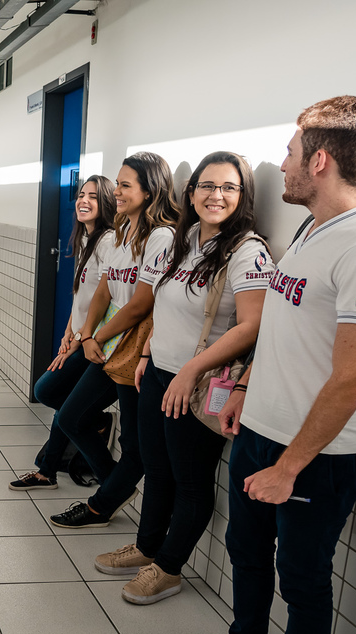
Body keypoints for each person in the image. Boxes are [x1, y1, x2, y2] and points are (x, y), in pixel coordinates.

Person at [171, 97, 356, 634]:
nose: (282, 166)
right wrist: (247, 387)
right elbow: (284, 325)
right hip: (260, 431)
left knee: (302, 578)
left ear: (322, 160)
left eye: (290, 152)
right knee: (246, 550)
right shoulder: (310, 228)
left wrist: (290, 464)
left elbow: (353, 376)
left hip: (315, 456)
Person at [98, 152, 271, 604]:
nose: (216, 196)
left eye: (228, 188)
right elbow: (165, 302)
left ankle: (169, 568)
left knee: (190, 483)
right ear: (190, 193)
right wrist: (149, 353)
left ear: (242, 195)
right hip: (158, 373)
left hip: (198, 385)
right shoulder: (185, 237)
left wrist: (190, 369)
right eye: (207, 186)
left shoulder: (247, 251)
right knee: (156, 468)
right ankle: (147, 545)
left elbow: (252, 326)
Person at [49, 152, 179, 529]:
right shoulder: (123, 231)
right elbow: (105, 288)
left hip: (134, 351)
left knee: (137, 446)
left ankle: (101, 505)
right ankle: (113, 485)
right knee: (71, 414)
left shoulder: (162, 237)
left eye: (125, 185)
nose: (116, 192)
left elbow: (141, 304)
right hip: (109, 346)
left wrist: (97, 336)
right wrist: (87, 334)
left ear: (150, 189)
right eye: (118, 184)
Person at [10, 175, 116, 491]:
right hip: (81, 336)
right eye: (81, 195)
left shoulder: (109, 241)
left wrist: (82, 338)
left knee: (47, 391)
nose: (83, 201)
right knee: (64, 399)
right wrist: (68, 333)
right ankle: (47, 470)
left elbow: (106, 298)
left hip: (98, 342)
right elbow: (82, 295)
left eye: (93, 197)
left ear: (108, 203)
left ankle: (111, 473)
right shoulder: (85, 238)